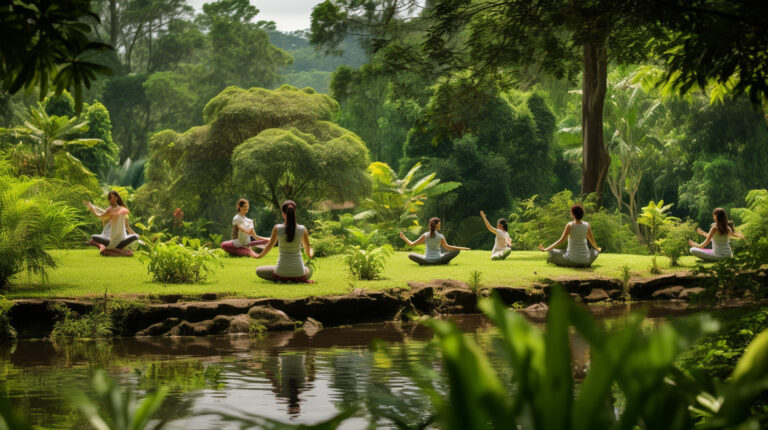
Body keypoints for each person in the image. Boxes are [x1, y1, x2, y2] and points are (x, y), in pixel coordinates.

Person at [254, 200, 314, 283]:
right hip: (299, 273)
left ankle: (285, 278)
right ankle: (295, 278)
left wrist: (258, 256)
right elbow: (309, 254)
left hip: (280, 273)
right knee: (309, 269)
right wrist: (311, 251)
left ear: (283, 213)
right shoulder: (302, 229)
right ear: (294, 212)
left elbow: (269, 246)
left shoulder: (277, 228)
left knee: (259, 270)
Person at [83, 190, 139, 256]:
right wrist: (92, 208)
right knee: (93, 237)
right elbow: (100, 215)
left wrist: (136, 236)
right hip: (112, 241)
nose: (111, 200)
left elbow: (127, 227)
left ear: (116, 198)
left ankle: (111, 250)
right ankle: (116, 251)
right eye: (109, 198)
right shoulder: (110, 210)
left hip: (122, 240)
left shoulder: (122, 209)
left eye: (112, 198)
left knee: (136, 236)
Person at [399, 217, 470, 265]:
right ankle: (441, 262)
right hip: (439, 259)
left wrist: (404, 238)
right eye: (439, 224)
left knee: (410, 255)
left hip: (427, 259)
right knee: (456, 250)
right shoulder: (440, 236)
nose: (440, 226)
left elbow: (411, 244)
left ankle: (426, 262)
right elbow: (447, 247)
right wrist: (463, 248)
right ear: (436, 226)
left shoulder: (425, 235)